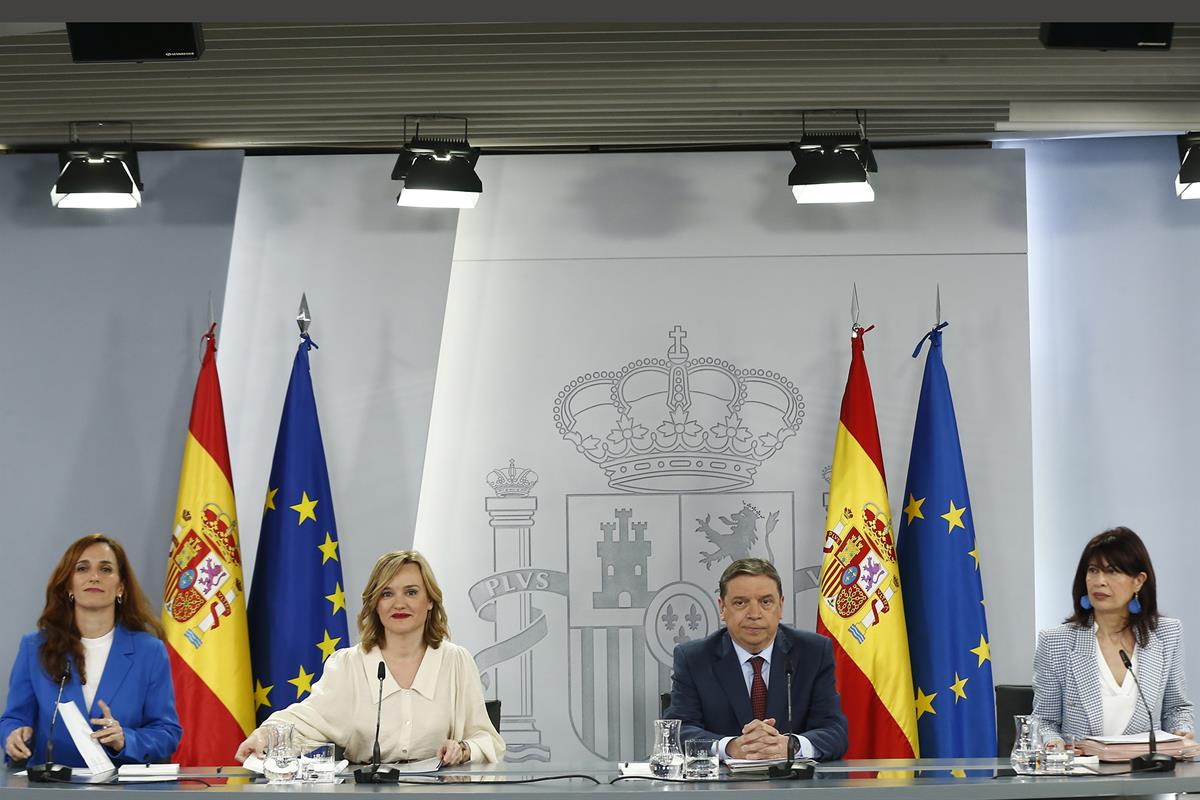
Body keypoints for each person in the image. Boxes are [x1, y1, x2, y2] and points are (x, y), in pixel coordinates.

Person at [235, 550, 504, 765]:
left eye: (411, 592)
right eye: (387, 594)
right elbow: (305, 719)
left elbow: (488, 739)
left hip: (440, 792)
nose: (399, 603)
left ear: (430, 601)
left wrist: (464, 749)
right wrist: (264, 736)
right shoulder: (349, 664)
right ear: (376, 604)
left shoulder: (456, 661)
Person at [1, 534, 182, 767]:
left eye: (106, 569)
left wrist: (126, 739)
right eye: (82, 568)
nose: (94, 577)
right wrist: (13, 734)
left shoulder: (150, 651)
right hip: (51, 787)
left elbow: (167, 732)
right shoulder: (35, 647)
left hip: (122, 789)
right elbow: (14, 718)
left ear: (121, 587)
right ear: (69, 586)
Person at [1032, 526, 1198, 755]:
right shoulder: (1056, 642)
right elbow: (1044, 721)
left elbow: (1176, 708)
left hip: (1147, 777)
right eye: (1093, 570)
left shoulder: (1167, 634)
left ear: (1138, 581)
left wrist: (1181, 730)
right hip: (1081, 779)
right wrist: (1054, 744)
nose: (1099, 581)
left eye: (1112, 572)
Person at [665, 558, 848, 762]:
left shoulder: (813, 652)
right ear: (722, 608)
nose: (754, 614)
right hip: (721, 790)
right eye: (740, 603)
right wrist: (731, 747)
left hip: (795, 789)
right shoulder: (694, 658)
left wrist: (790, 746)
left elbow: (834, 732)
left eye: (766, 602)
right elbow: (679, 731)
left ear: (781, 606)